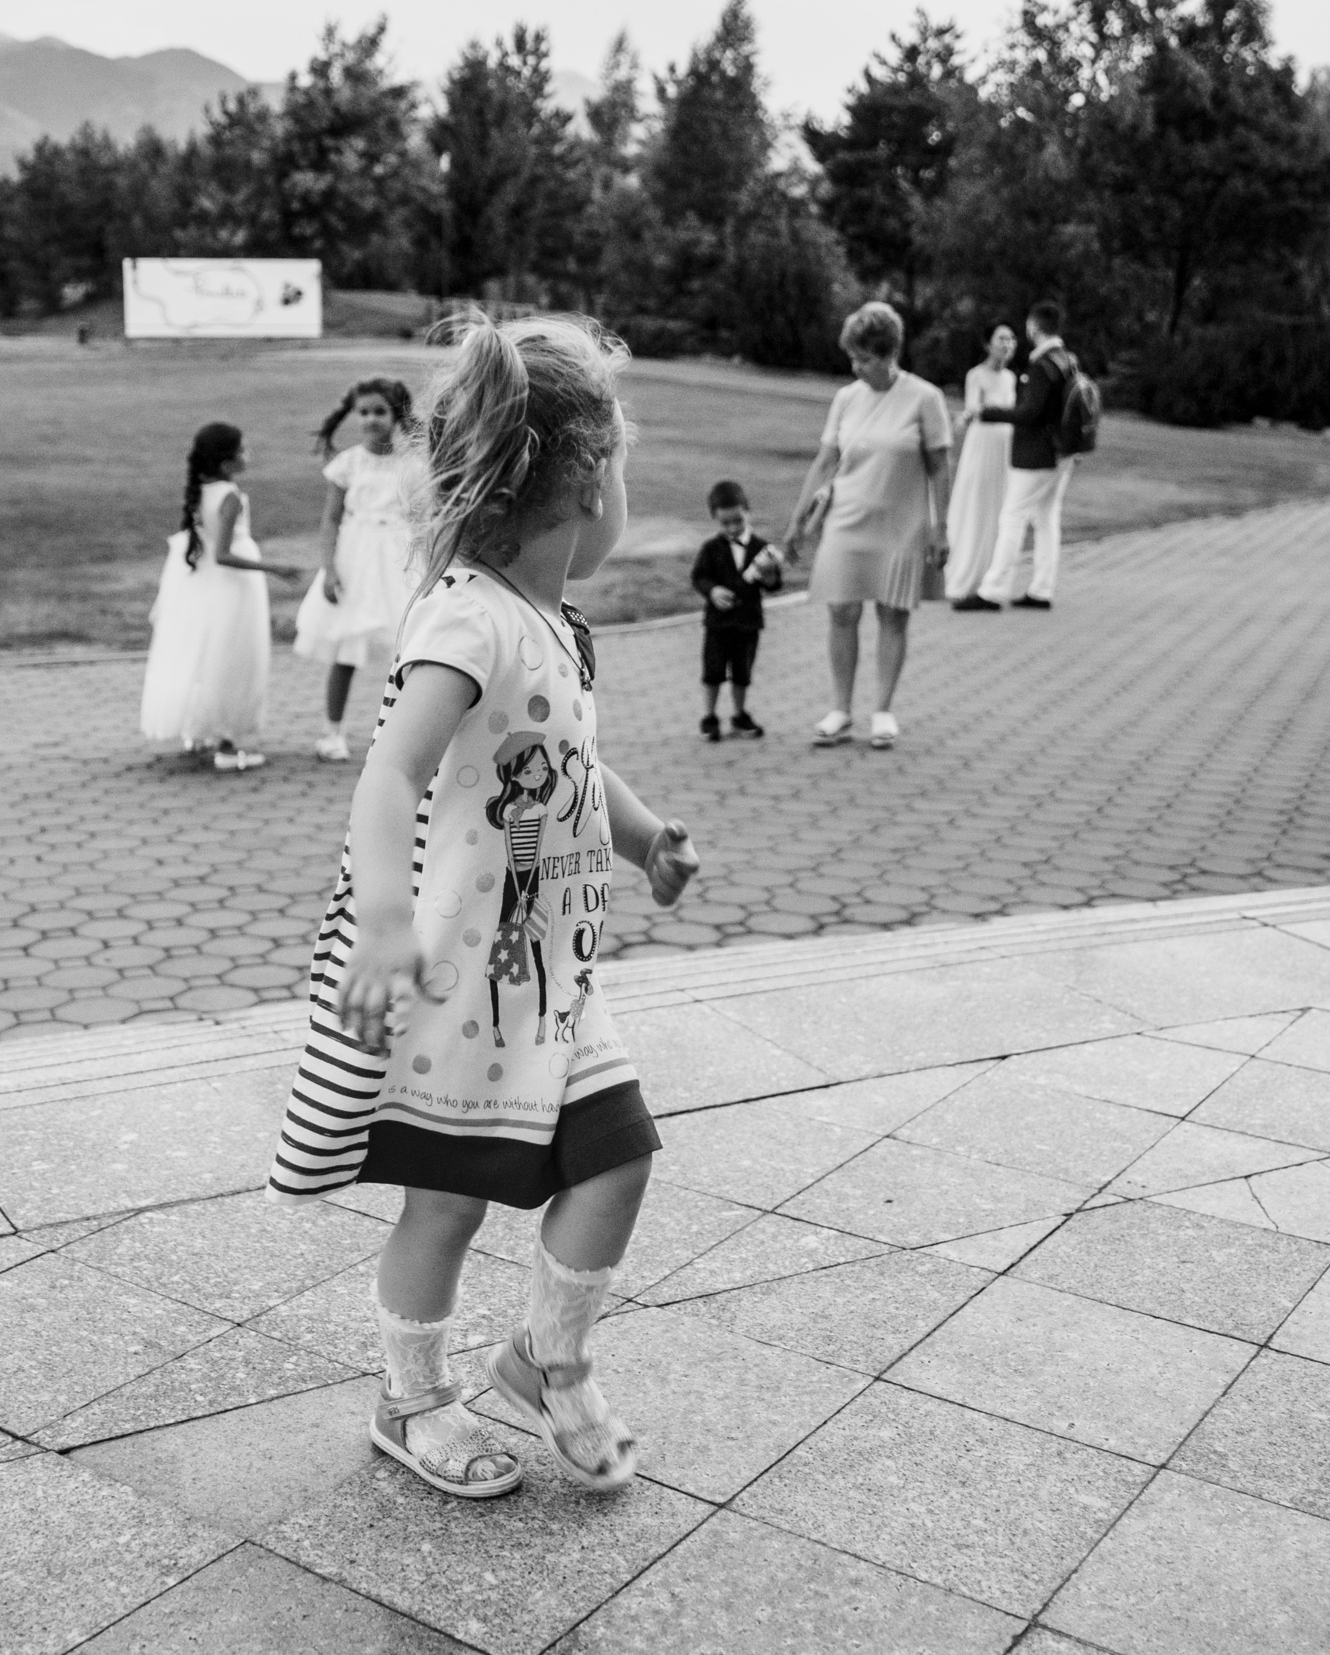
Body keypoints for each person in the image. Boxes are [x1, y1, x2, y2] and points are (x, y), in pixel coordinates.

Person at [263, 313, 701, 1500]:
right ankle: (411, 1400)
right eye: (624, 472)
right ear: (588, 483)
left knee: (620, 1154)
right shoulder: (468, 616)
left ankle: (543, 1356)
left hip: (552, 978)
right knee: (447, 1200)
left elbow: (564, 767)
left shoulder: (549, 622)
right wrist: (391, 919)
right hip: (462, 983)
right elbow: (392, 766)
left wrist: (645, 833)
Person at [785, 301, 954, 750]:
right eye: (853, 358)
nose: (856, 367)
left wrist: (941, 528)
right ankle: (840, 709)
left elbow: (939, 467)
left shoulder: (925, 398)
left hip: (902, 523)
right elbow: (825, 461)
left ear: (888, 354)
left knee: (892, 614)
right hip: (845, 519)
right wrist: (798, 520)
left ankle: (882, 710)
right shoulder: (845, 398)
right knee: (841, 610)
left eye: (864, 358)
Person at [139, 422, 304, 770]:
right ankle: (228, 744)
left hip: (205, 586)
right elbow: (223, 554)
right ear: (228, 463)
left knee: (206, 654)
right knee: (235, 659)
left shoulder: (200, 490)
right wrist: (275, 568)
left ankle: (199, 731)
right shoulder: (228, 496)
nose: (249, 454)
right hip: (232, 587)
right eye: (243, 450)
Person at [296, 378, 421, 761]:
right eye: (363, 412)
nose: (370, 420)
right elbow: (331, 520)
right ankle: (332, 732)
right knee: (346, 649)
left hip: (399, 559)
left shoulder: (413, 463)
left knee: (409, 650)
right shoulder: (347, 464)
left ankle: (407, 736)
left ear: (396, 414)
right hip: (357, 558)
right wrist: (329, 569)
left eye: (379, 412)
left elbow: (422, 515)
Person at [961, 299, 1076, 611]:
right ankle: (1041, 588)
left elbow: (1030, 413)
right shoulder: (1068, 360)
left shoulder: (1042, 365)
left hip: (1037, 455)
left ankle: (992, 590)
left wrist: (989, 413)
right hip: (1062, 454)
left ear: (1034, 327)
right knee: (1046, 519)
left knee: (1012, 518)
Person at [688, 479, 784, 741]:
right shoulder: (711, 548)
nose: (732, 528)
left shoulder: (762, 548)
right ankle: (710, 716)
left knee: (742, 672)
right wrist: (713, 591)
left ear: (747, 512)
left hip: (748, 623)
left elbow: (775, 585)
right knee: (713, 670)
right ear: (715, 520)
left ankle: (740, 714)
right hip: (718, 623)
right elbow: (699, 576)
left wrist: (767, 575)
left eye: (737, 521)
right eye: (725, 523)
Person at [943, 323, 1019, 604]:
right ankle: (965, 572)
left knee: (1000, 509)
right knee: (976, 504)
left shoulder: (1011, 378)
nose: (1007, 344)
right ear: (988, 344)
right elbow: (974, 408)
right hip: (982, 445)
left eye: (1011, 339)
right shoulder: (975, 375)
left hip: (1005, 448)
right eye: (1001, 338)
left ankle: (991, 576)